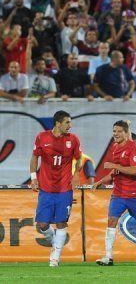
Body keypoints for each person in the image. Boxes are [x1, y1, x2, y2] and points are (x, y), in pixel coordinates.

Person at [93, 120, 136, 266]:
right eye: (114, 131)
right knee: (111, 221)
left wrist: (113, 165)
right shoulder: (115, 147)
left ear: (126, 133)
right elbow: (116, 170)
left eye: (119, 131)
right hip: (118, 194)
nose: (116, 134)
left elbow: (134, 170)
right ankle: (108, 256)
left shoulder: (134, 148)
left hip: (135, 195)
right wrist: (102, 180)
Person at [30, 110, 83, 267]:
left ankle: (55, 257)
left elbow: (79, 158)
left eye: (70, 122)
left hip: (64, 189)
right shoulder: (42, 137)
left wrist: (76, 174)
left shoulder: (73, 140)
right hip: (46, 189)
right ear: (58, 123)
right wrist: (33, 178)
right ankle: (55, 242)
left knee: (61, 223)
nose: (70, 126)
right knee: (42, 225)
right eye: (67, 122)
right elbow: (34, 157)